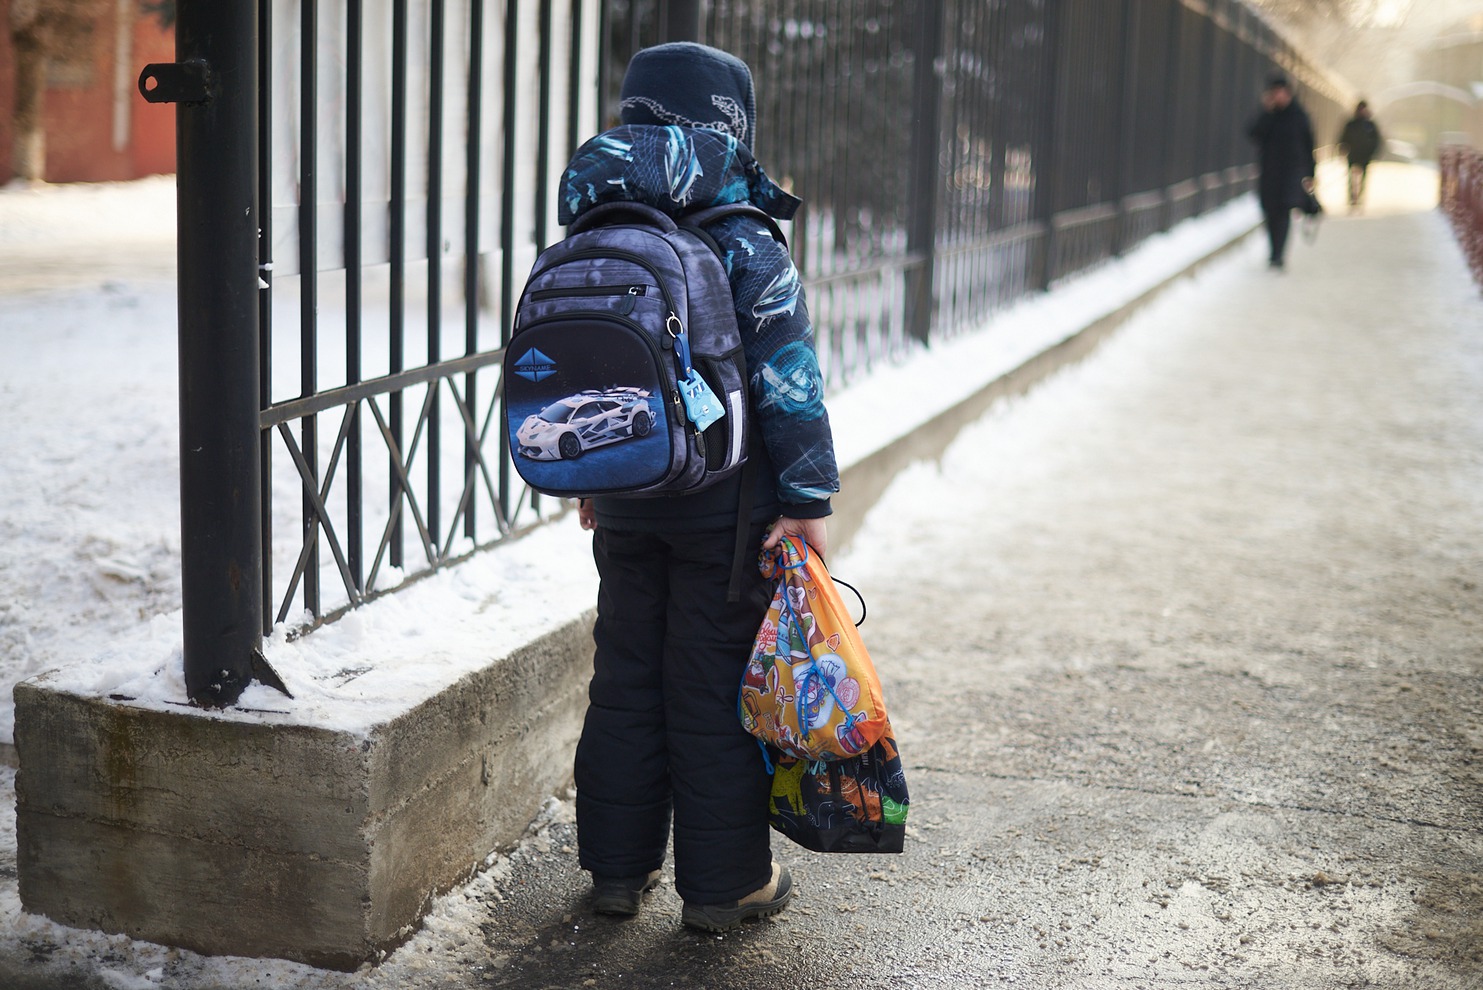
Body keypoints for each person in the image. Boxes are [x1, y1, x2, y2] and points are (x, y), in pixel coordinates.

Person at [560, 42, 840, 932]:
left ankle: (615, 871)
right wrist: (804, 504)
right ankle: (724, 889)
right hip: (726, 507)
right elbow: (788, 378)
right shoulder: (742, 230)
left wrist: (595, 473)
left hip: (629, 485)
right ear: (730, 123)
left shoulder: (595, 216)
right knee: (710, 686)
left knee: (627, 676)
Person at [1246, 74, 1316, 269]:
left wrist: (1311, 174)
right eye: (1274, 93)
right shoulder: (1269, 116)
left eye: (1281, 92)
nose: (1278, 96)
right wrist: (1266, 112)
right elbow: (1253, 134)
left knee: (1283, 211)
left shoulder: (1299, 116)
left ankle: (1278, 255)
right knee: (1269, 211)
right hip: (1269, 171)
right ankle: (1273, 250)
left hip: (1291, 172)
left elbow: (1309, 145)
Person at [1337, 100, 1383, 210]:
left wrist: (1373, 153)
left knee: (1363, 178)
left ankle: (1360, 197)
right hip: (1353, 154)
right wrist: (1342, 148)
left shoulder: (1370, 125)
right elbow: (1344, 137)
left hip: (1365, 155)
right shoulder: (1352, 123)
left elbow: (1377, 140)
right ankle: (1352, 197)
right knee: (1350, 177)